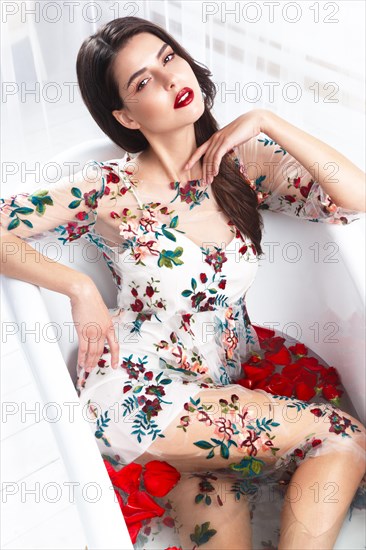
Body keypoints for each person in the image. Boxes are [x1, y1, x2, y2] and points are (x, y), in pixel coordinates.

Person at [1, 15, 365, 550]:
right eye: (143, 81)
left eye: (168, 58)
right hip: (139, 394)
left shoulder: (239, 164)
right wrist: (77, 288)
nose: (171, 80)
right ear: (124, 115)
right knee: (341, 437)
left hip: (215, 390)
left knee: (219, 500)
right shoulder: (109, 187)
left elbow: (354, 197)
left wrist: (265, 120)